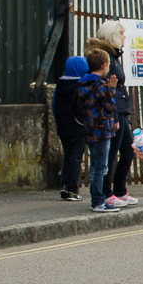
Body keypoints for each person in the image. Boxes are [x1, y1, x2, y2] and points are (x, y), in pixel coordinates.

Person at [91, 22, 137, 206]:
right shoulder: (107, 58)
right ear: (112, 36)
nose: (124, 37)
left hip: (121, 111)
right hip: (114, 112)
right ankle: (107, 193)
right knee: (111, 155)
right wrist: (114, 115)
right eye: (121, 34)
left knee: (128, 152)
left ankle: (120, 190)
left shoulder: (115, 57)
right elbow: (107, 90)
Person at [79, 47, 121, 213]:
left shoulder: (84, 83)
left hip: (89, 129)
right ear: (104, 65)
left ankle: (98, 198)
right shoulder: (101, 85)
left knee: (95, 166)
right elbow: (110, 106)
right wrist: (112, 88)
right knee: (100, 167)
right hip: (102, 130)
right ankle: (98, 201)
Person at [52, 55, 88, 201]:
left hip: (63, 127)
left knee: (68, 155)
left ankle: (65, 185)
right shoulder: (81, 86)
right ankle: (72, 189)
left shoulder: (60, 85)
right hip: (78, 127)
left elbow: (54, 106)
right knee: (76, 157)